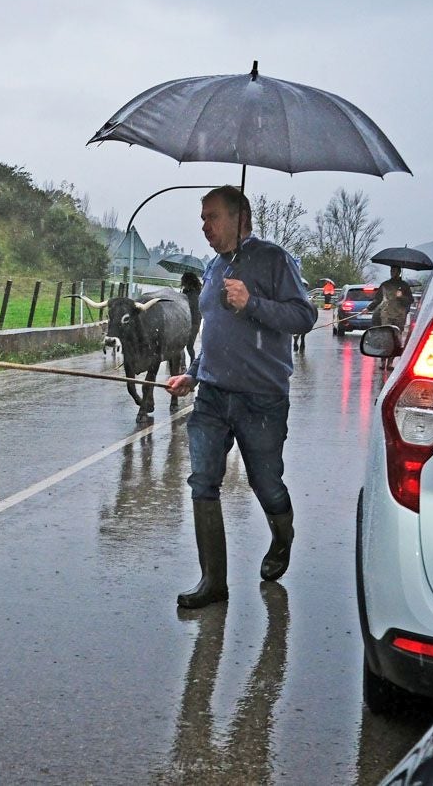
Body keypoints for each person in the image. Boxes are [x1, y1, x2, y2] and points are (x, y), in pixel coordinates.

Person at [164, 186, 317, 610]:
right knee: (202, 482)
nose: (204, 225)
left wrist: (252, 303)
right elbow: (210, 330)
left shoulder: (274, 260)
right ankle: (213, 582)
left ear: (239, 217)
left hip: (262, 399)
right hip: (212, 396)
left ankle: (282, 535)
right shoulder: (214, 267)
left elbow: (305, 316)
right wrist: (192, 375)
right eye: (203, 217)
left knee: (264, 483)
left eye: (211, 216)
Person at [367, 264, 414, 333]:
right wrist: (368, 308)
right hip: (386, 315)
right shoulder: (385, 285)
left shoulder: (404, 285)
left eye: (394, 271)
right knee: (386, 334)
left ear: (399, 272)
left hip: (399, 316)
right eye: (391, 271)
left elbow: (410, 300)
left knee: (397, 335)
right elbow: (378, 299)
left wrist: (401, 297)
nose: (392, 273)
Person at [180, 270, 202, 365]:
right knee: (181, 345)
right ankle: (183, 365)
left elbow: (192, 308)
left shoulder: (195, 294)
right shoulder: (187, 293)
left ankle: (192, 364)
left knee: (189, 346)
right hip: (187, 321)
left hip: (194, 322)